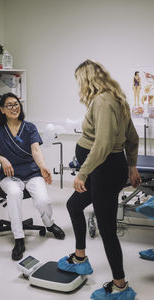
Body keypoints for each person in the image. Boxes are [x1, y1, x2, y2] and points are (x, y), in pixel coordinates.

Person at [58, 60, 141, 299]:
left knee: (107, 229)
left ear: (87, 79)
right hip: (104, 169)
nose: (79, 86)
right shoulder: (117, 98)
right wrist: (132, 166)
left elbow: (103, 145)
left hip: (103, 170)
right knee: (74, 205)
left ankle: (120, 285)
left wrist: (82, 173)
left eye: (79, 81)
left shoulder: (104, 101)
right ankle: (80, 258)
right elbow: (133, 138)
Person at [0, 92, 65, 261]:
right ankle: (19, 239)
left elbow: (36, 150)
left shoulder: (29, 127)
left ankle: (50, 225)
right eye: (10, 105)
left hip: (32, 173)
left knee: (43, 201)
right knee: (14, 194)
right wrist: (2, 158)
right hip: (10, 176)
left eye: (16, 104)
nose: (14, 107)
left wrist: (42, 167)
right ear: (2, 109)